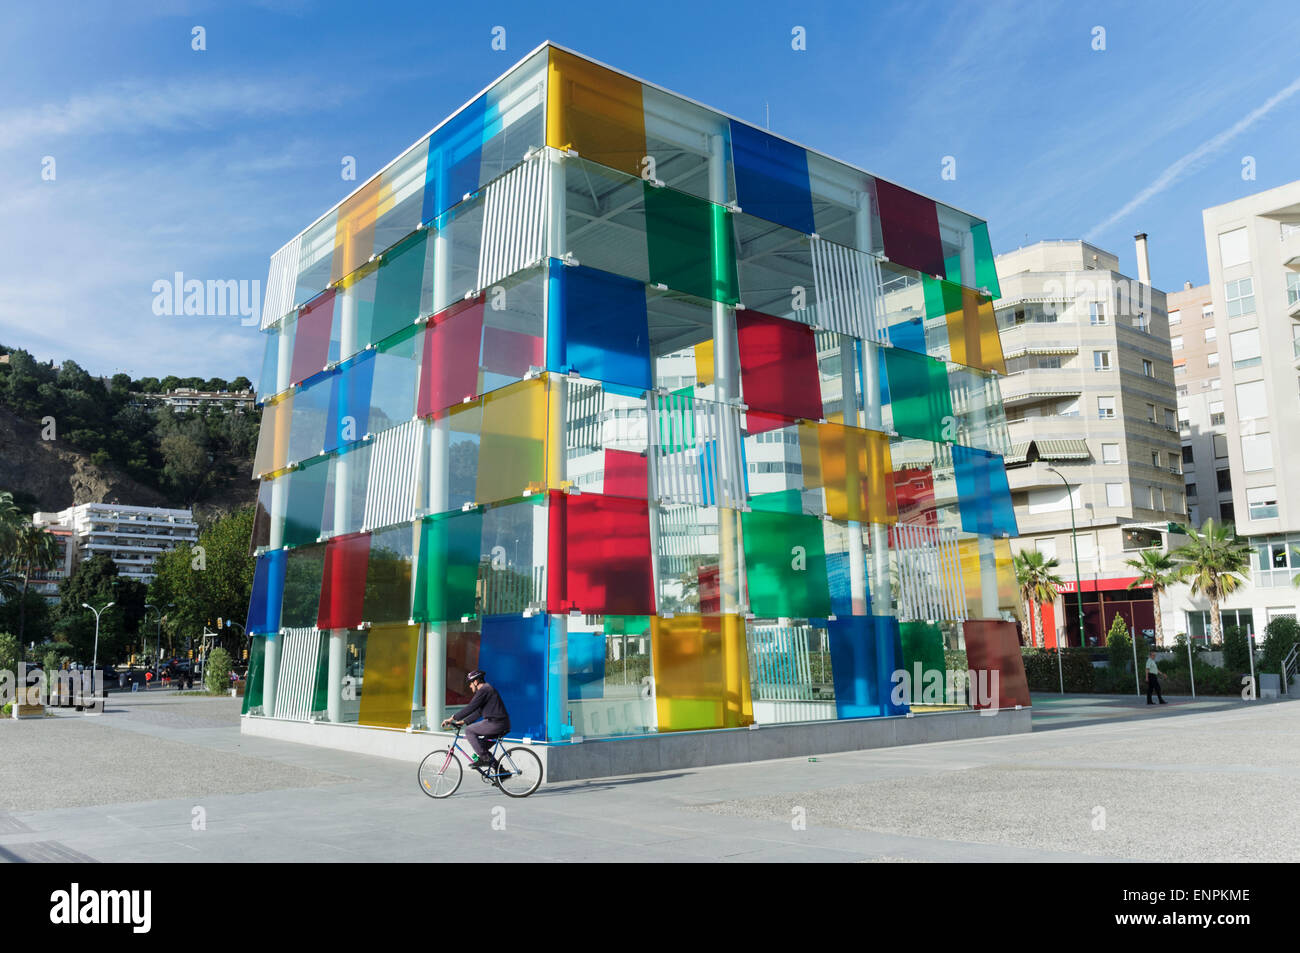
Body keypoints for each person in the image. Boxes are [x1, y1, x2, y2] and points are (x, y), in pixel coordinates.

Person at [441, 671, 510, 774]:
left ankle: (485, 759)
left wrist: (452, 718)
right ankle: (502, 773)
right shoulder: (487, 690)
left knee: (469, 731)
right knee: (482, 748)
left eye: (470, 683)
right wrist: (464, 721)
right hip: (500, 724)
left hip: (496, 723)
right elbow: (479, 711)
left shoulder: (484, 690)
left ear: (476, 681)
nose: (469, 686)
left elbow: (471, 707)